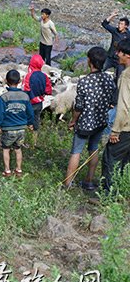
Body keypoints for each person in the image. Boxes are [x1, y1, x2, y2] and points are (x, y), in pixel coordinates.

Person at [63, 47, 116, 189]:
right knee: (93, 149)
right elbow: (112, 100)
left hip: (85, 124)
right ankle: (89, 181)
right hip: (100, 122)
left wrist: (73, 120)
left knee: (76, 151)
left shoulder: (84, 82)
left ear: (89, 61)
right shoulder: (108, 79)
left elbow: (78, 107)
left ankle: (68, 183)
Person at [0, 70, 34, 178]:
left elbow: (0, 113)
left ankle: (7, 170)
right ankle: (18, 169)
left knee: (6, 149)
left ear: (6, 81)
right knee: (18, 149)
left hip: (8, 129)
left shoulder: (3, 98)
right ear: (20, 81)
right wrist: (30, 123)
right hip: (21, 128)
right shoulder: (25, 96)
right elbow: (30, 111)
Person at [102, 39, 130, 193]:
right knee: (127, 161)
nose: (117, 54)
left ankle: (108, 194)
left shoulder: (126, 75)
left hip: (126, 126)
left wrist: (115, 130)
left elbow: (124, 105)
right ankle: (122, 190)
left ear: (128, 56)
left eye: (120, 52)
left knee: (110, 158)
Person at [22, 54, 53, 130]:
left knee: (28, 120)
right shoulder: (44, 76)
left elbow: (25, 89)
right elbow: (48, 90)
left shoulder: (29, 76)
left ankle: (28, 136)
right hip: (39, 103)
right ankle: (35, 138)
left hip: (30, 103)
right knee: (36, 119)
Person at [101, 11, 130, 82]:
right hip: (110, 57)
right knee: (100, 69)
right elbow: (104, 24)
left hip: (120, 59)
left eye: (121, 24)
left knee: (119, 77)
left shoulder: (128, 35)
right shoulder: (115, 31)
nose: (119, 25)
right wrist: (112, 15)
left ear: (126, 26)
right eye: (119, 23)